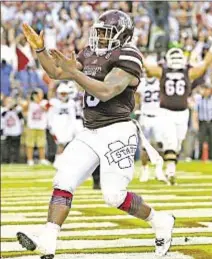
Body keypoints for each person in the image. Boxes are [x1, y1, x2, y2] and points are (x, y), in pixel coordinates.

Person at [17, 10, 174, 258]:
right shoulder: (90, 53)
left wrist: (75, 73)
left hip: (118, 131)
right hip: (90, 130)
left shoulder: (129, 56)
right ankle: (48, 240)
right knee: (64, 180)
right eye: (98, 31)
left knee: (114, 196)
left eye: (105, 32)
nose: (100, 36)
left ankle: (160, 220)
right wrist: (40, 51)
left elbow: (106, 90)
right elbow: (57, 73)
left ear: (122, 35)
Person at [144, 31, 212, 185]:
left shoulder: (179, 72)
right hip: (166, 112)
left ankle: (167, 166)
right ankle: (170, 171)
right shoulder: (173, 71)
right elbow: (205, 64)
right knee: (171, 143)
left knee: (177, 144)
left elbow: (146, 65)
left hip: (182, 113)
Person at [136, 73, 167, 182]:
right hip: (145, 116)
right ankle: (145, 170)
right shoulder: (142, 82)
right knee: (145, 146)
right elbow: (137, 97)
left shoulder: (160, 82)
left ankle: (159, 170)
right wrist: (137, 110)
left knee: (161, 144)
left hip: (158, 116)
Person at [48, 83, 77, 169]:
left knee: (66, 145)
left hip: (68, 126)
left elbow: (73, 116)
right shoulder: (54, 102)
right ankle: (57, 162)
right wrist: (51, 126)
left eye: (65, 93)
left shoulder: (71, 103)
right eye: (62, 93)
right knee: (60, 144)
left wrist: (73, 127)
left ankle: (62, 161)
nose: (64, 95)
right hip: (58, 125)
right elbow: (50, 115)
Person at [192, 84, 212, 160]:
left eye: (207, 90)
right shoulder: (199, 100)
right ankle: (200, 156)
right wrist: (195, 123)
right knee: (201, 140)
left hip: (211, 122)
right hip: (202, 122)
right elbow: (195, 112)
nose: (206, 91)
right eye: (205, 90)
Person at [24, 88, 50, 166]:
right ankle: (30, 160)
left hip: (41, 126)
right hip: (31, 126)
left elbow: (47, 108)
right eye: (36, 94)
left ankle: (42, 159)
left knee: (41, 144)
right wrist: (29, 99)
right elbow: (24, 109)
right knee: (30, 144)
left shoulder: (45, 102)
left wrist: (38, 101)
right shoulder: (30, 103)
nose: (38, 95)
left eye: (39, 93)